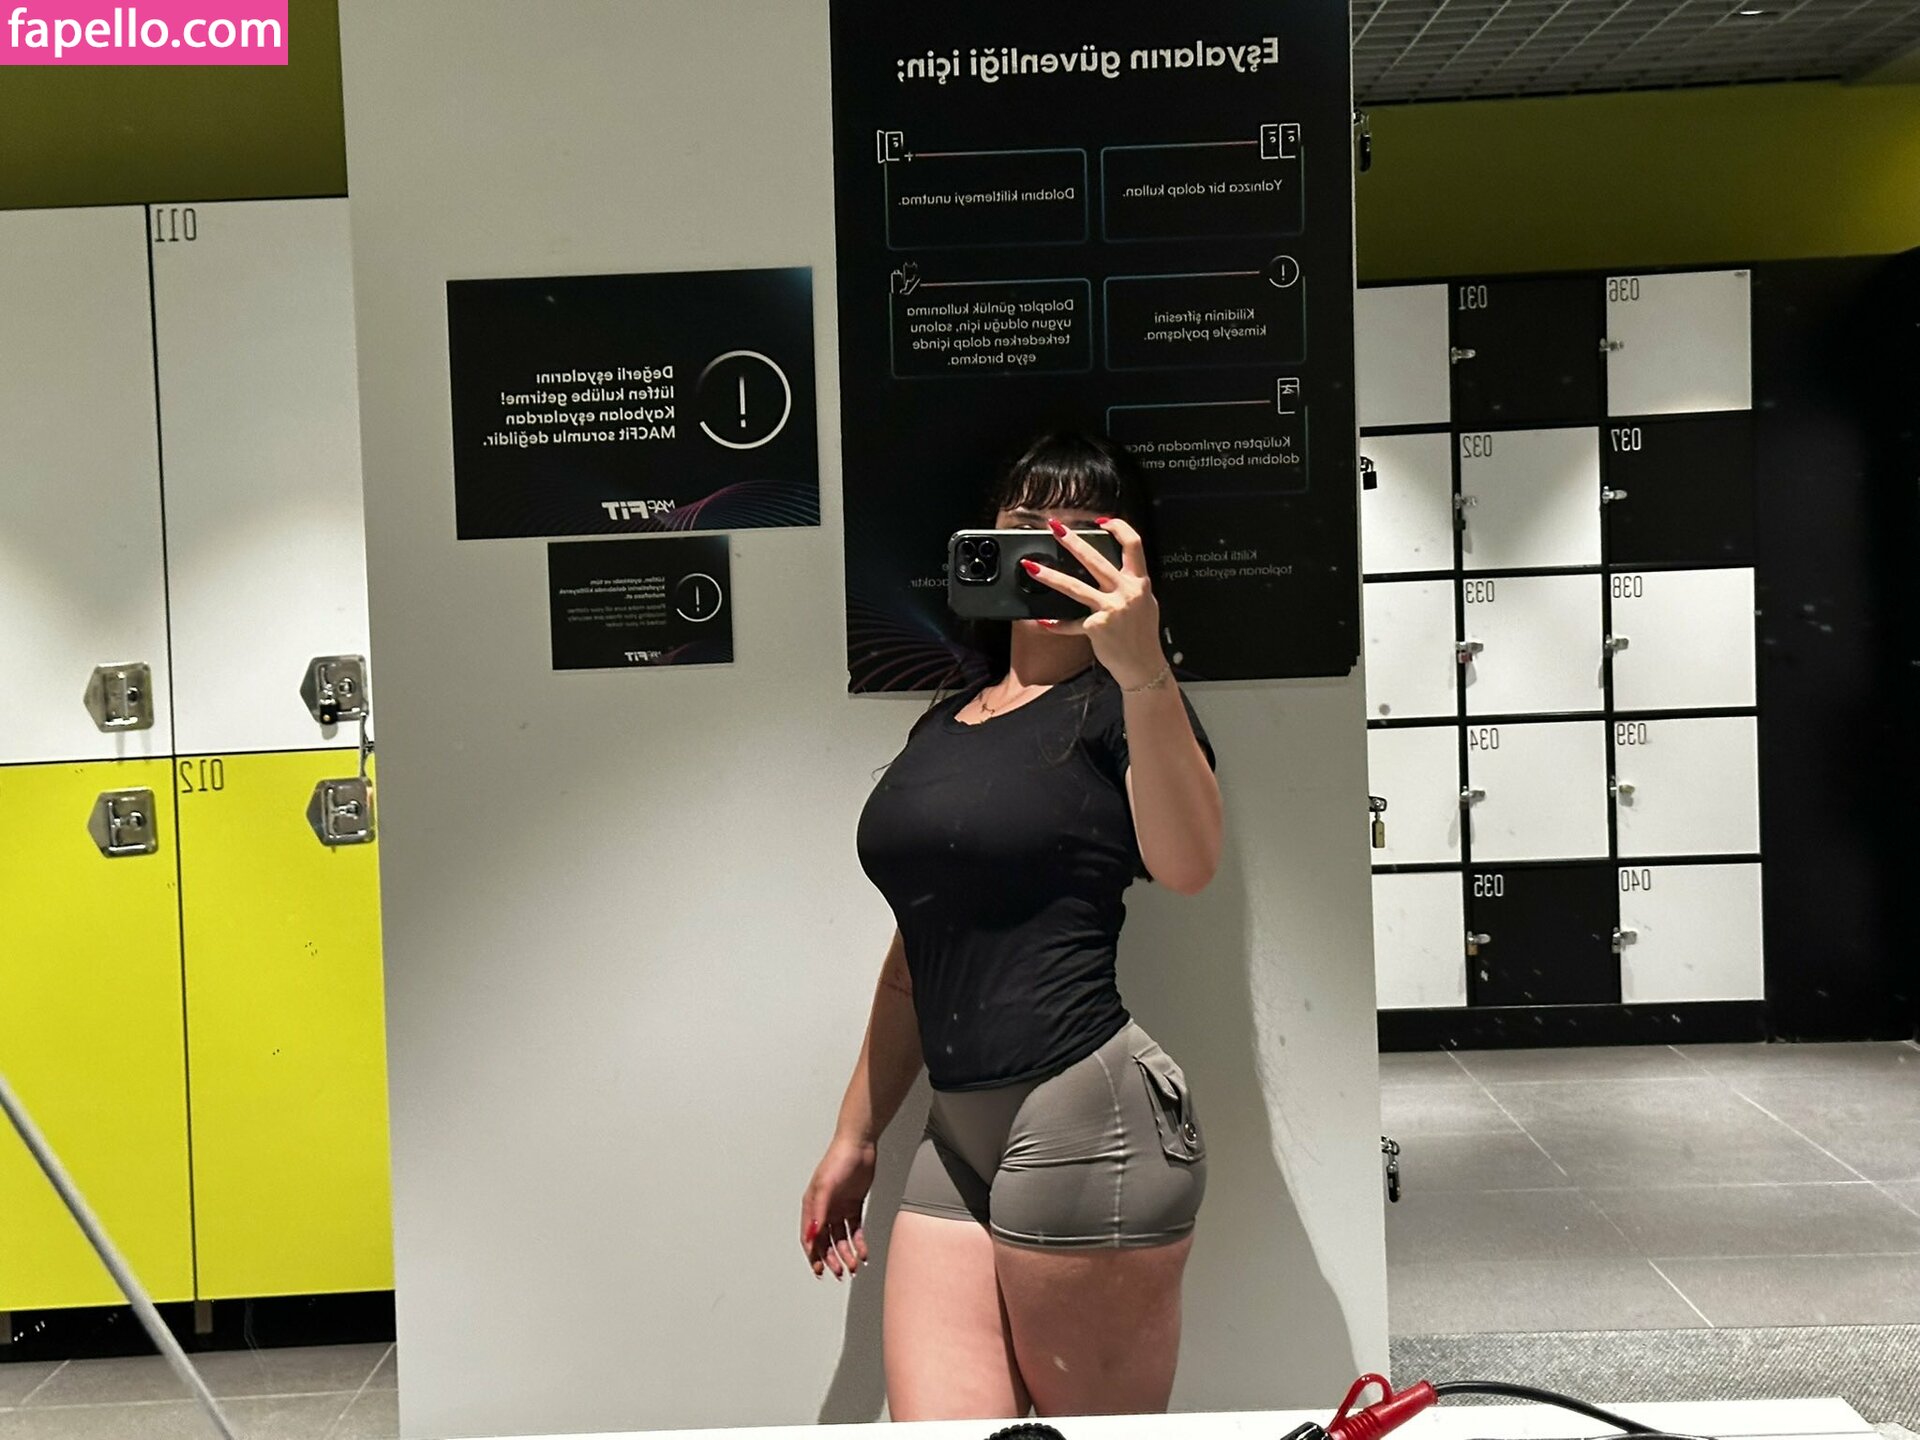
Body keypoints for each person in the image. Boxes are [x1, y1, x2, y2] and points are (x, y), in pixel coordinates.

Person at [800, 432, 1225, 1420]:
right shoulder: (945, 722)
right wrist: (856, 1133)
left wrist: (1144, 668)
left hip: (1088, 1111)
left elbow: (1190, 865)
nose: (1049, 549)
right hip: (954, 1132)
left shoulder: (1122, 708)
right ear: (987, 537)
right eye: (1028, 524)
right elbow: (918, 953)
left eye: (1083, 532)